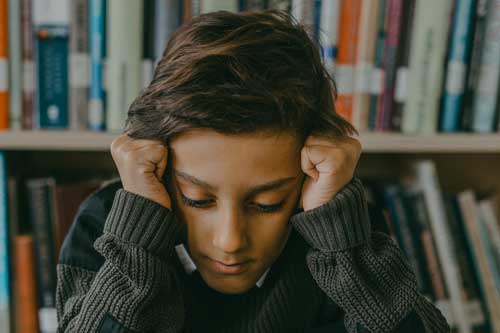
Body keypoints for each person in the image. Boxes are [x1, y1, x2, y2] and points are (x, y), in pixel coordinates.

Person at [56, 9, 450, 333]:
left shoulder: (343, 234)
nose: (230, 241)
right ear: (158, 170)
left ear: (307, 176)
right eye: (198, 199)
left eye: (267, 203)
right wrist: (135, 246)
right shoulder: (109, 225)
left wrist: (344, 248)